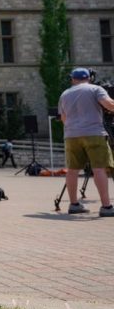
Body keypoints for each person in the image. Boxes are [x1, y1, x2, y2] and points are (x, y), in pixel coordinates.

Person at [58, 67, 114, 217]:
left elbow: (63, 118)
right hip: (94, 133)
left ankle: (74, 204)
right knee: (99, 169)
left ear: (72, 79)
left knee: (72, 170)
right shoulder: (95, 89)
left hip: (71, 135)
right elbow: (109, 105)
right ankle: (106, 207)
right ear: (89, 78)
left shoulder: (65, 94)